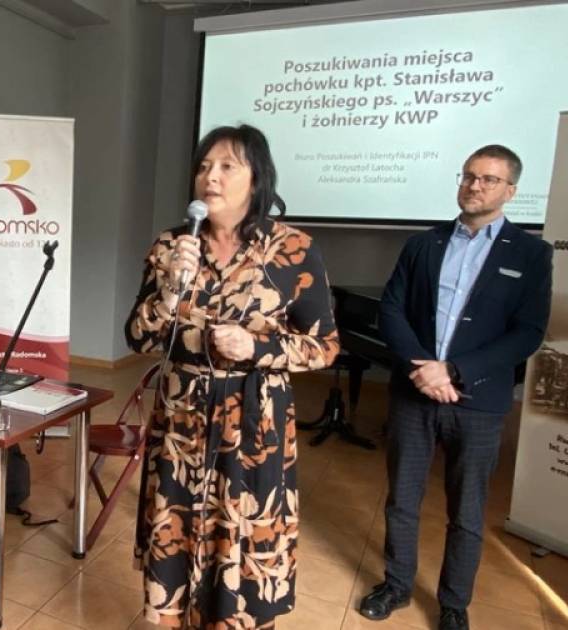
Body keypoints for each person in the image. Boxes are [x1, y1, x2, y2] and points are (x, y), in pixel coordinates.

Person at [125, 124, 340, 627]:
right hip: (181, 424)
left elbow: (326, 347)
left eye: (227, 166)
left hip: (254, 429)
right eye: (204, 167)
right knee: (175, 535)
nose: (211, 177)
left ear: (256, 178)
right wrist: (169, 292)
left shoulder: (293, 249)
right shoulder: (171, 245)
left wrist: (257, 347)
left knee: (243, 537)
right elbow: (137, 337)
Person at [360, 145, 553, 630]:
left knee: (466, 511)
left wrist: (454, 372)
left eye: (488, 179)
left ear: (511, 191)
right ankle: (396, 585)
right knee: (402, 500)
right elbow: (392, 309)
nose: (474, 186)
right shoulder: (423, 244)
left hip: (479, 401)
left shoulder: (531, 254)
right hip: (414, 393)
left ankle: (453, 604)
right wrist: (422, 370)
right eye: (468, 176)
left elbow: (528, 333)